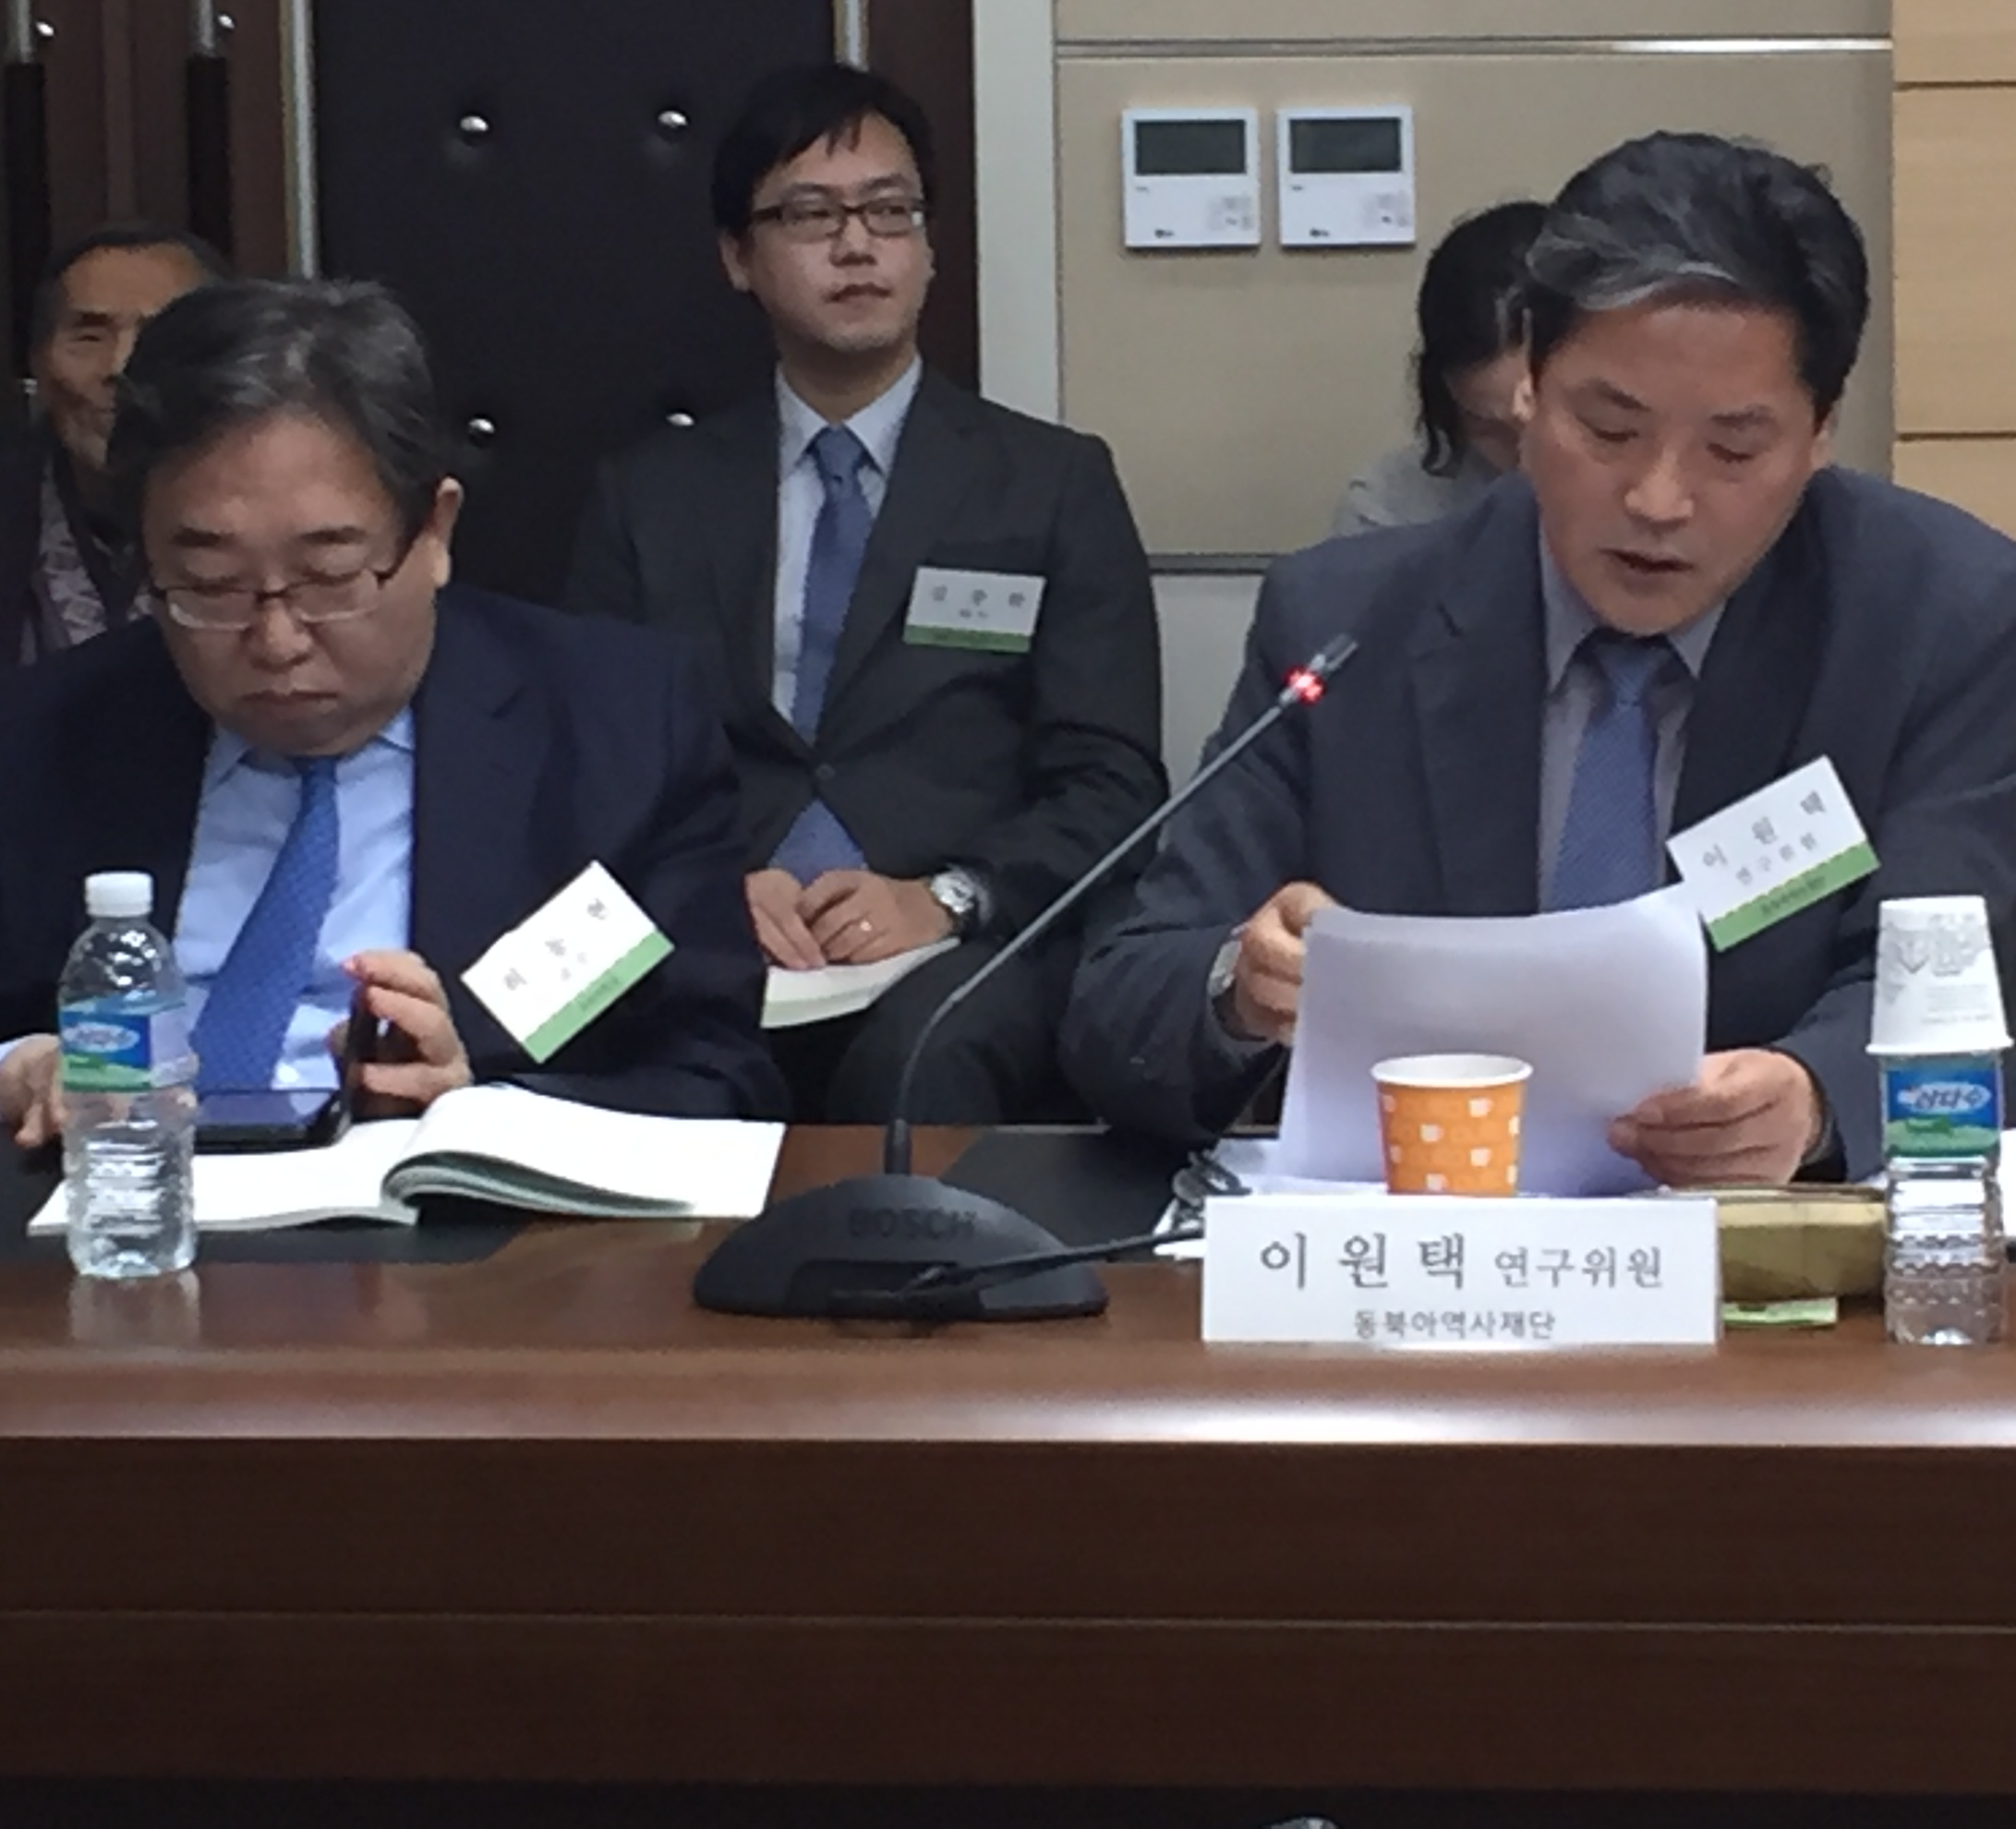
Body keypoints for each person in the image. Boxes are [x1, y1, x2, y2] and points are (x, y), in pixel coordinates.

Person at [1063, 131, 2016, 1184]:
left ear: (1820, 434)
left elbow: (1964, 993)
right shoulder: (1349, 624)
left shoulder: (1934, 617)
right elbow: (1125, 1002)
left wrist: (1811, 1103)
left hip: (1767, 1258)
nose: (1659, 500)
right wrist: (1239, 989)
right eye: (1610, 429)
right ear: (1528, 386)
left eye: (1733, 448)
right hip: (1429, 1243)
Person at [0, 278, 779, 1148]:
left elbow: (718, 1080)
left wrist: (484, 1107)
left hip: (455, 1222)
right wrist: (18, 1067)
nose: (277, 639)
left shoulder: (618, 731)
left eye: (330, 576)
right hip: (126, 1207)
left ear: (434, 532)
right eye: (211, 586)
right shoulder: (45, 733)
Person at [568, 64, 1166, 1125]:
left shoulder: (1050, 484)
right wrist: (707, 885)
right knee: (603, 1041)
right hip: (721, 920)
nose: (858, 245)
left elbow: (1112, 782)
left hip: (962, 934)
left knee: (920, 1061)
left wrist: (944, 898)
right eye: (811, 215)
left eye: (890, 210)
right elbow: (591, 763)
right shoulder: (649, 497)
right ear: (738, 256)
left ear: (928, 248)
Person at [1, 223, 226, 665]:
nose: (120, 367)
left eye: (158, 335)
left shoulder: (287, 515)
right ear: (38, 365)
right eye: (88, 337)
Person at [1329, 199, 1546, 535]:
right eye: (1489, 430)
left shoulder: (1632, 499)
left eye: (1541, 418)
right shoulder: (1388, 510)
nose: (1525, 464)